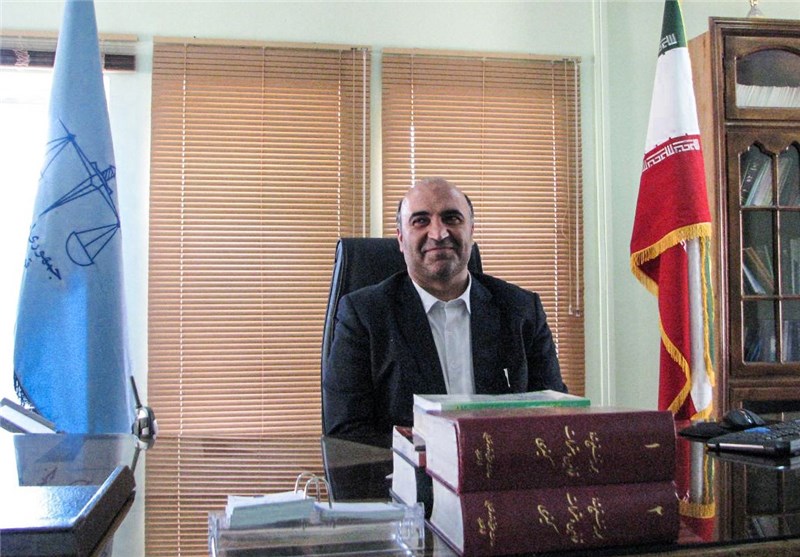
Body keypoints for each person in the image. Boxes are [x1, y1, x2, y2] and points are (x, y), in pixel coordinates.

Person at [323, 177, 566, 445]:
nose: (438, 233)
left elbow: (555, 415)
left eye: (452, 218)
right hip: (404, 471)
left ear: (471, 231)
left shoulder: (522, 310)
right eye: (420, 221)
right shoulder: (364, 315)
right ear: (401, 239)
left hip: (502, 467)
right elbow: (346, 433)